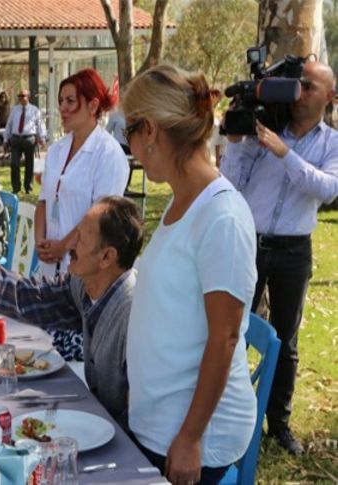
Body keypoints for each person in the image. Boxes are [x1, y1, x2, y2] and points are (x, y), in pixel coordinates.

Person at [123, 64, 258, 485]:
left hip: (192, 437)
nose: (128, 147)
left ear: (149, 131)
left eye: (127, 131)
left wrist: (189, 437)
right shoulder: (182, 201)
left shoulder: (222, 216)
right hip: (158, 422)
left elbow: (225, 337)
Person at [0, 196, 142, 426]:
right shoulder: (82, 284)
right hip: (97, 421)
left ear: (107, 257)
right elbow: (24, 295)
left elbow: (142, 414)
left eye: (81, 239)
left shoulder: (134, 315)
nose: (70, 245)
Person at [220, 60, 338, 455]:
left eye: (308, 85)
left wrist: (285, 152)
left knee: (286, 340)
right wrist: (236, 143)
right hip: (250, 242)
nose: (299, 91)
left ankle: (279, 424)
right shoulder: (265, 128)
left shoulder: (331, 143)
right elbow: (233, 182)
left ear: (330, 97)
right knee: (230, 330)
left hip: (293, 250)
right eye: (296, 84)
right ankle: (222, 408)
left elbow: (325, 189)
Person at [35, 69, 129, 282]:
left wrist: (64, 246)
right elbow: (44, 200)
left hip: (84, 273)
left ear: (93, 105)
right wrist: (40, 241)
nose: (62, 108)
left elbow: (99, 215)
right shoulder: (57, 150)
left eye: (70, 101)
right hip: (48, 269)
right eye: (61, 101)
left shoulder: (109, 154)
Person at [4, 89, 46, 194]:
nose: (21, 98)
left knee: (29, 164)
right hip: (16, 139)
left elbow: (40, 124)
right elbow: (9, 124)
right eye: (19, 96)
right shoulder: (15, 110)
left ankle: (28, 187)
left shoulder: (34, 110)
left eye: (23, 96)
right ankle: (16, 188)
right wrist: (6, 139)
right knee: (14, 164)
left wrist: (42, 138)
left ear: (29, 97)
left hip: (29, 139)